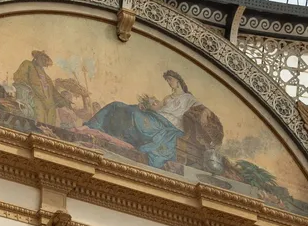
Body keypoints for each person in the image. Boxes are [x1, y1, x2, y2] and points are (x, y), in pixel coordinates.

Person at [86, 70, 215, 169]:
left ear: (178, 80)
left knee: (133, 115)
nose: (169, 83)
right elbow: (159, 109)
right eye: (167, 80)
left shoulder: (188, 98)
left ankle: (124, 134)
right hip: (157, 118)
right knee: (119, 106)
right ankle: (95, 126)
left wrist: (204, 115)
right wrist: (147, 105)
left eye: (170, 79)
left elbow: (206, 110)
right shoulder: (167, 98)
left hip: (169, 126)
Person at [14, 50, 62, 126]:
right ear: (37, 57)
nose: (44, 61)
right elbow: (19, 77)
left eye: (45, 60)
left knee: (52, 110)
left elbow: (54, 92)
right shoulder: (28, 64)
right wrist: (29, 90)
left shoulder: (47, 78)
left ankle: (48, 133)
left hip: (48, 101)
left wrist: (65, 102)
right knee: (39, 110)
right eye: (42, 58)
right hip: (33, 96)